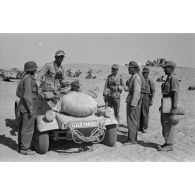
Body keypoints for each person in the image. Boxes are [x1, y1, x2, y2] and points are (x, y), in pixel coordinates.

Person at [16, 61, 38, 155]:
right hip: (27, 107)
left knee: (22, 127)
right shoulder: (28, 80)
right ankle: (25, 149)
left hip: (22, 106)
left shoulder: (24, 78)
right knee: (28, 128)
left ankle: (21, 147)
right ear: (32, 70)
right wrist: (30, 109)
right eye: (35, 69)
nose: (36, 70)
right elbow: (28, 96)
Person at [158, 61, 179, 152]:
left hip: (170, 103)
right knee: (164, 123)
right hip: (165, 102)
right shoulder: (168, 78)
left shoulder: (173, 78)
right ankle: (167, 142)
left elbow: (175, 93)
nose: (164, 70)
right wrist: (162, 105)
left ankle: (170, 144)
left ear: (170, 68)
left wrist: (174, 107)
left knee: (169, 123)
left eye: (165, 68)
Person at [124, 61, 143, 145]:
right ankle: (131, 138)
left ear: (134, 69)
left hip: (133, 103)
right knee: (131, 121)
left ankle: (132, 140)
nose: (128, 69)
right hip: (131, 101)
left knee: (132, 121)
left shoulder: (136, 78)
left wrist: (133, 104)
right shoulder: (133, 77)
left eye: (130, 68)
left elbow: (137, 92)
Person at [139, 67, 155, 133]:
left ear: (148, 73)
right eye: (143, 73)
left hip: (147, 97)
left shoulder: (150, 81)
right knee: (140, 112)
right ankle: (140, 126)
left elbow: (153, 91)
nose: (143, 74)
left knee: (145, 113)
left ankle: (145, 127)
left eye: (145, 73)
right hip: (141, 97)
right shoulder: (141, 80)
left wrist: (151, 100)